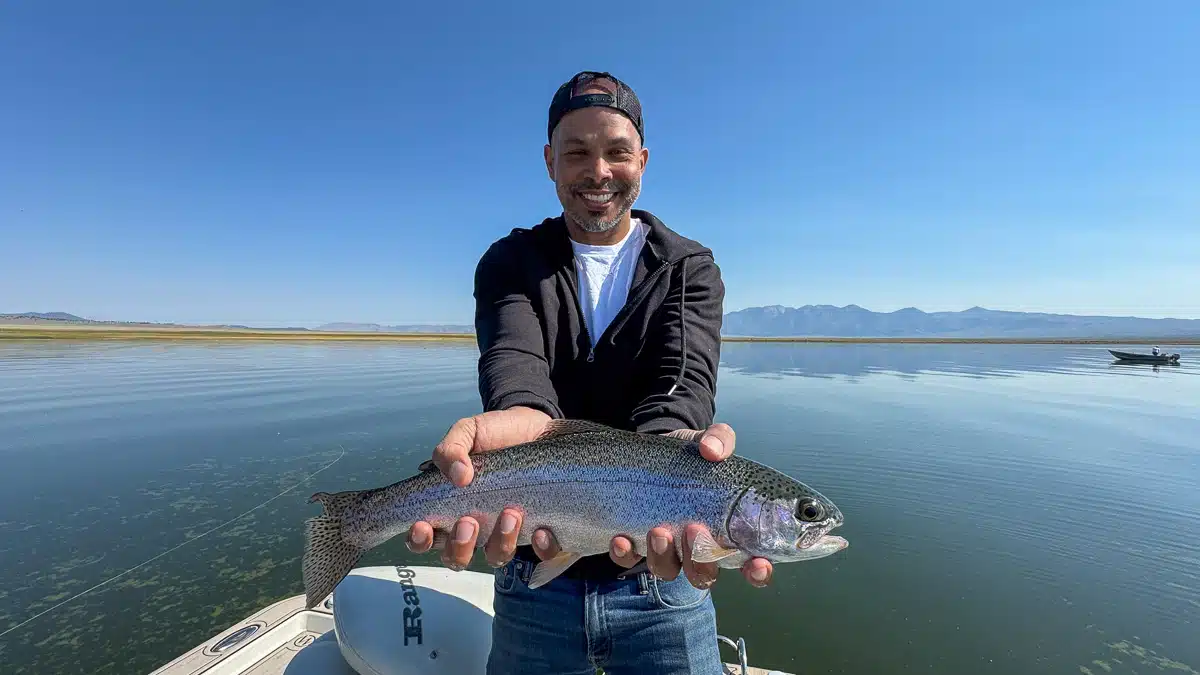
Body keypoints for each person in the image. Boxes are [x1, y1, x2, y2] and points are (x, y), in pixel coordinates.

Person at [404, 71, 774, 674]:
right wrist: (523, 417)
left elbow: (680, 384)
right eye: (576, 152)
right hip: (531, 573)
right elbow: (514, 364)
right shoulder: (511, 262)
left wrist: (677, 442)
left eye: (616, 153)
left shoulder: (688, 268)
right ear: (549, 161)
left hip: (664, 582)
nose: (598, 172)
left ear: (642, 161)